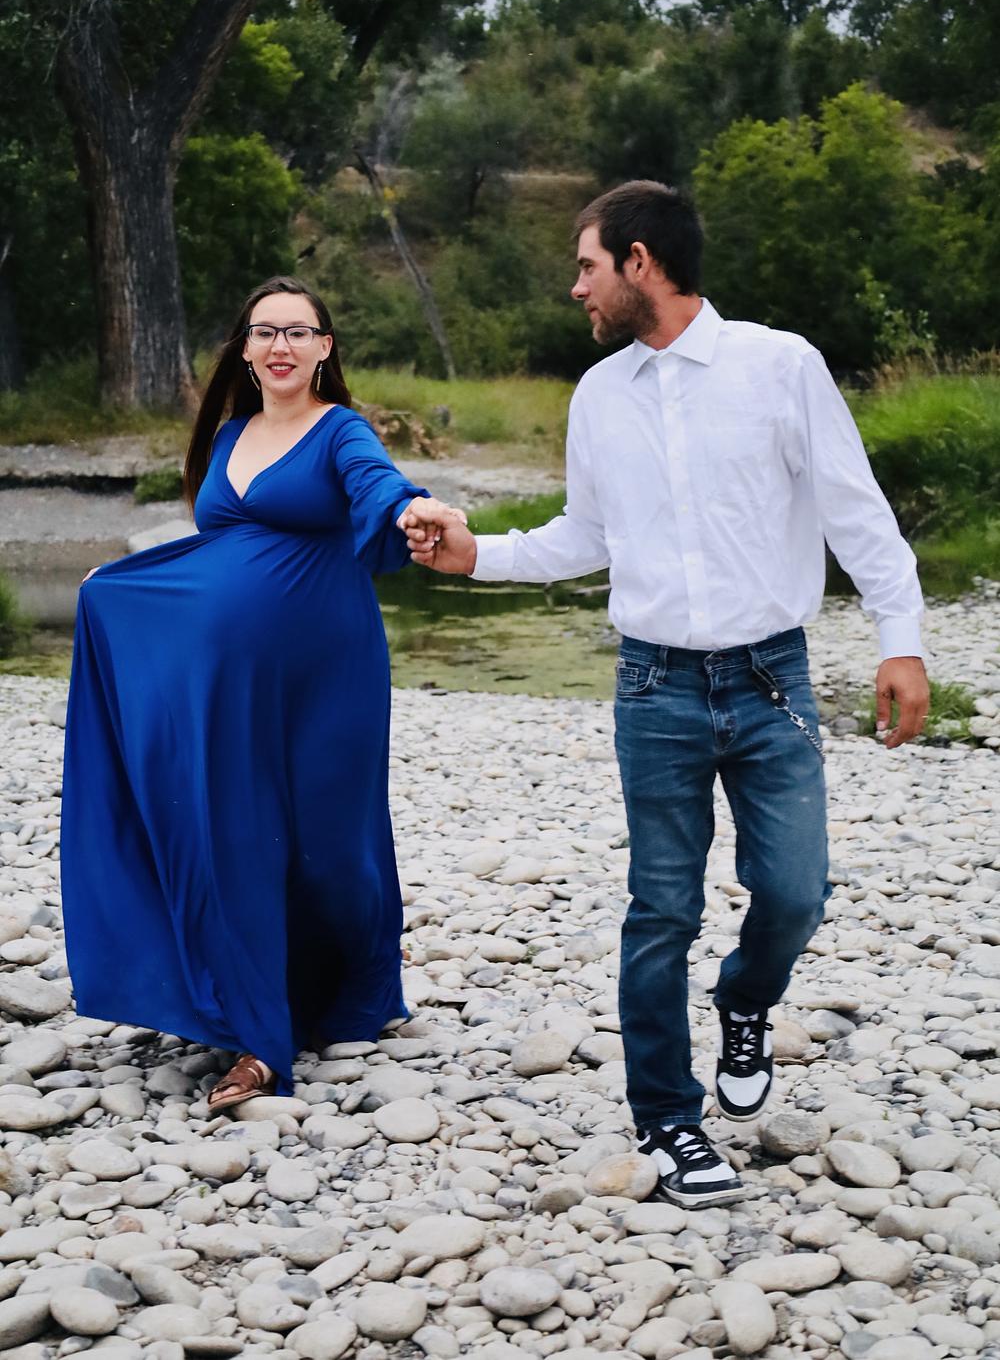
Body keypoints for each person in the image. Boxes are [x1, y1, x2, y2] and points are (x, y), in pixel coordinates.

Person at [401, 181, 930, 1208]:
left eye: (587, 265)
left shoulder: (780, 366)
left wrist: (898, 641)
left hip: (771, 679)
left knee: (795, 892)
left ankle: (745, 1000)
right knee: (662, 908)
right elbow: (583, 538)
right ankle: (668, 1120)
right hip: (653, 685)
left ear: (639, 261)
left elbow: (854, 511)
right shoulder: (599, 396)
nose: (576, 287)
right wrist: (477, 555)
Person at [61, 275, 459, 1109]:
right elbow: (221, 550)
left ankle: (351, 985)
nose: (281, 345)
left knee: (331, 851)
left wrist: (412, 509)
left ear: (324, 348)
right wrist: (122, 590)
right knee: (234, 836)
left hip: (328, 675)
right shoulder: (230, 435)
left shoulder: (340, 430)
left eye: (298, 332)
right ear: (244, 348)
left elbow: (377, 485)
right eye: (265, 331)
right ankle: (258, 1032)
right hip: (228, 688)